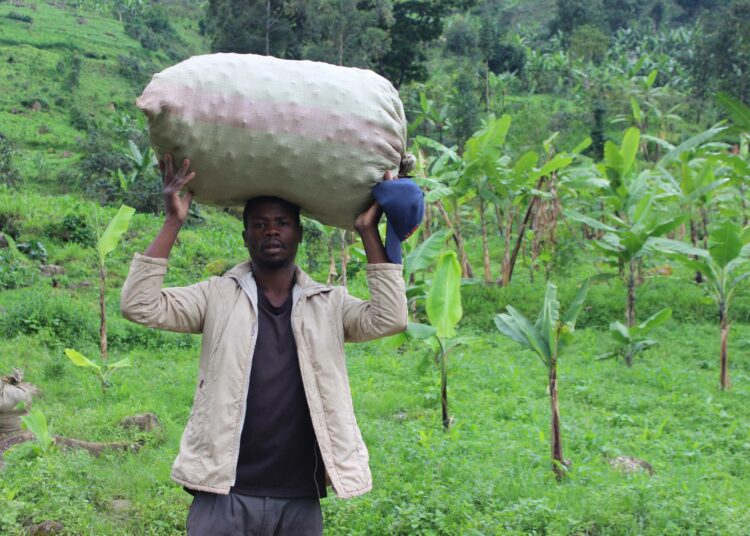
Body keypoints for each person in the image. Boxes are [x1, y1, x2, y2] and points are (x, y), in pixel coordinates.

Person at [120, 154, 408, 535]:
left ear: (299, 234)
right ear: (245, 237)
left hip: (299, 498)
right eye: (259, 224)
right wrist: (174, 221)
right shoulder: (216, 297)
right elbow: (139, 304)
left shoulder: (329, 303)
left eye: (282, 223)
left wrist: (367, 230)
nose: (271, 231)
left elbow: (390, 317)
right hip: (223, 492)